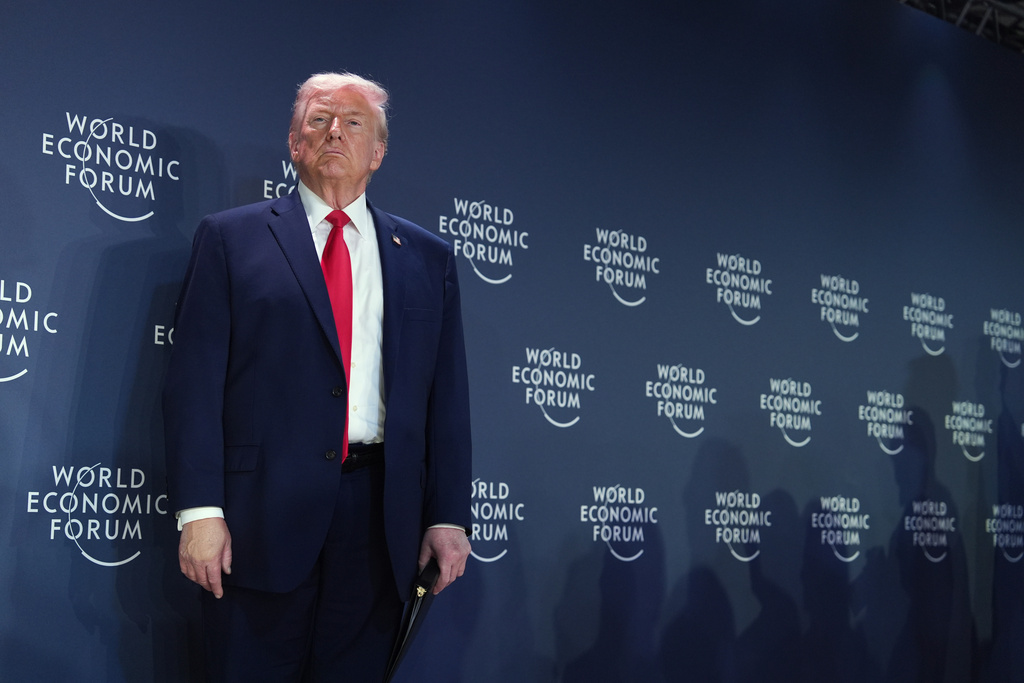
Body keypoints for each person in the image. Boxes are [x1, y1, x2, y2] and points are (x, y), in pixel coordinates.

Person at [163, 72, 472, 682]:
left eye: (354, 123)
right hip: (257, 518)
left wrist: (446, 515)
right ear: (294, 142)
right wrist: (199, 510)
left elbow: (447, 398)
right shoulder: (230, 238)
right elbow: (193, 386)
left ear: (378, 152)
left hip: (380, 520)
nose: (335, 132)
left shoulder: (427, 257)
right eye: (320, 120)